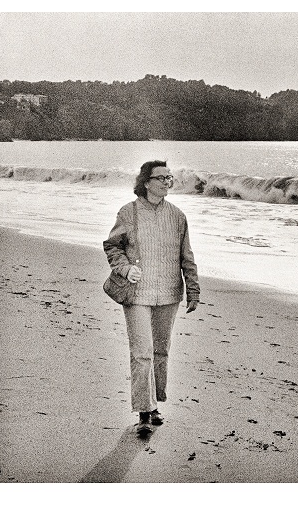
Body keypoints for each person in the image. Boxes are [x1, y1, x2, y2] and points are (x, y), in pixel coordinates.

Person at [103, 160, 200, 435]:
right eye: (161, 178)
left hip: (169, 293)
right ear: (146, 182)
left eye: (170, 178)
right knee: (142, 352)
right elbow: (112, 246)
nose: (167, 182)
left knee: (160, 352)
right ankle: (144, 411)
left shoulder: (178, 216)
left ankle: (154, 404)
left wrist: (193, 290)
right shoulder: (128, 212)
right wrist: (125, 268)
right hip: (137, 294)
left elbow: (187, 256)